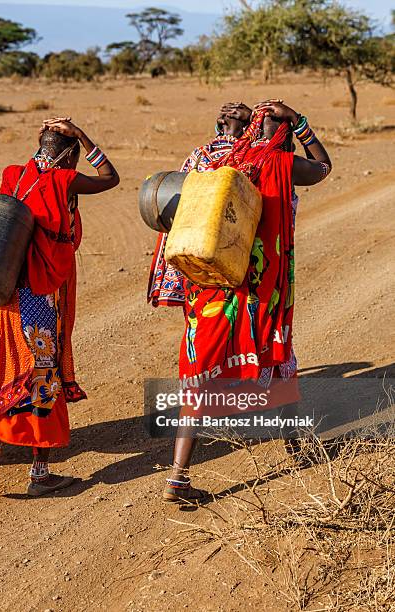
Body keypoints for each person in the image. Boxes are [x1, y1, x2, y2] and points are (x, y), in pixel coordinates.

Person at [162, 101, 332, 503]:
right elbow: (323, 167)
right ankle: (294, 447)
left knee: (198, 377)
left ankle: (178, 477)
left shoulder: (227, 161)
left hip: (212, 289)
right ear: (284, 134)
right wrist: (302, 123)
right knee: (275, 355)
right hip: (262, 288)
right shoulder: (284, 164)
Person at [0, 118, 119, 497]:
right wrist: (84, 136)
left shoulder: (13, 174)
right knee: (42, 378)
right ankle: (39, 473)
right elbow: (110, 177)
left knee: (6, 369)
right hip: (37, 297)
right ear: (70, 156)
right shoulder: (65, 180)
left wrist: (57, 141)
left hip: (2, 292)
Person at [148, 102, 252, 308]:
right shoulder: (249, 158)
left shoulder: (198, 157)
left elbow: (176, 205)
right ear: (246, 128)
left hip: (194, 254)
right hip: (235, 256)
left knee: (199, 314)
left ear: (219, 126)